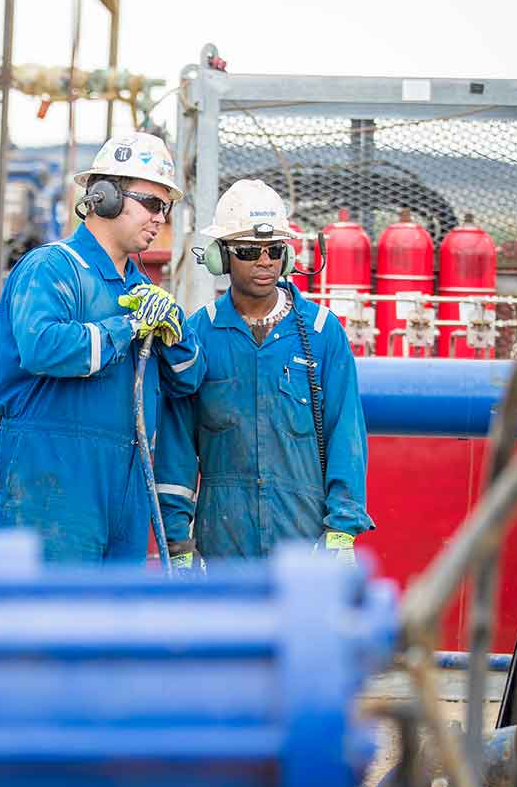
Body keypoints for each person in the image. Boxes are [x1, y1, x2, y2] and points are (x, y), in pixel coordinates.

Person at [0, 133, 205, 564]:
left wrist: (178, 335)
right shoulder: (52, 268)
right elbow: (43, 346)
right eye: (153, 204)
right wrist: (128, 328)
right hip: (50, 478)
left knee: (112, 623)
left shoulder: (140, 288)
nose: (161, 218)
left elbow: (188, 382)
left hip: (125, 481)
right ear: (105, 198)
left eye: (167, 207)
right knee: (49, 621)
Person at [156, 179, 373, 567]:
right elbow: (177, 448)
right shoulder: (197, 336)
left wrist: (342, 528)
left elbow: (347, 434)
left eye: (275, 249)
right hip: (223, 544)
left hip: (304, 545)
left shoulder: (323, 334)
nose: (265, 260)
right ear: (222, 257)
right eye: (248, 251)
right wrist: (176, 540)